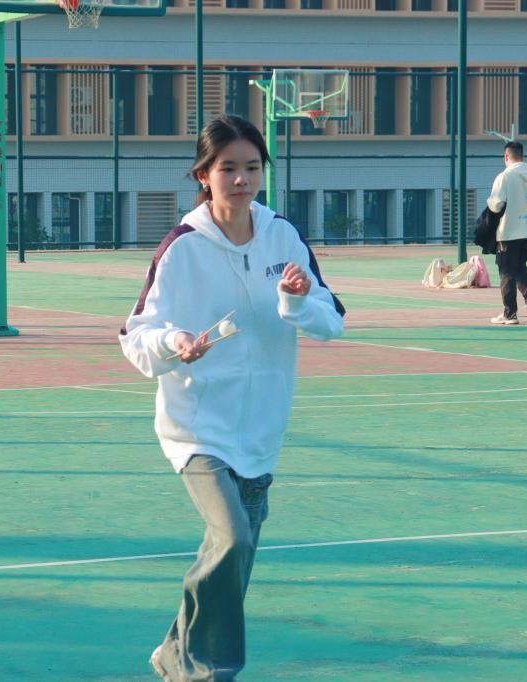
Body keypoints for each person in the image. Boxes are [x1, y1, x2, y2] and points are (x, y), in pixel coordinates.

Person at [119, 115, 345, 681]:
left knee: (233, 557)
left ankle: (175, 650)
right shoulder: (181, 248)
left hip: (262, 430)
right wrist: (174, 342)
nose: (241, 180)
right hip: (197, 431)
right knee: (233, 536)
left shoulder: (283, 237)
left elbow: (332, 321)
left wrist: (296, 303)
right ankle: (209, 671)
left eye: (251, 167)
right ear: (204, 175)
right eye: (228, 169)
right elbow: (136, 336)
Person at [486, 141, 527, 325]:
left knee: (506, 272)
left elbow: (496, 204)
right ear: (522, 156)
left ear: (506, 156)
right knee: (520, 266)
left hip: (508, 231)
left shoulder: (504, 176)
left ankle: (510, 313)